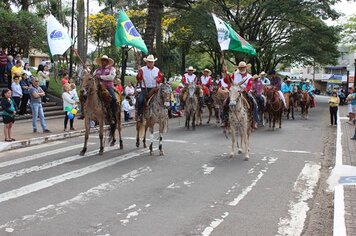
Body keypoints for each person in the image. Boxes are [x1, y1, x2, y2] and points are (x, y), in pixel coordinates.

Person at [136, 54, 163, 121]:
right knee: (140, 100)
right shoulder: (142, 69)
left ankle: (164, 113)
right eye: (149, 62)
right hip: (145, 89)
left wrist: (158, 79)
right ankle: (140, 114)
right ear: (146, 62)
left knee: (163, 98)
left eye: (151, 62)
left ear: (153, 62)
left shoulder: (157, 70)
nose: (150, 63)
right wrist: (139, 75)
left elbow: (160, 78)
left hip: (154, 89)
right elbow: (138, 79)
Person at [93, 55, 117, 122]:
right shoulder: (97, 70)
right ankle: (86, 112)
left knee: (113, 99)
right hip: (98, 87)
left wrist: (100, 77)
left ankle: (112, 115)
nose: (103, 61)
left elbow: (111, 77)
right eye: (102, 60)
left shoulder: (112, 69)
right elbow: (93, 77)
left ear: (107, 61)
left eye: (104, 60)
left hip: (108, 86)